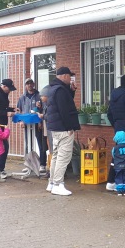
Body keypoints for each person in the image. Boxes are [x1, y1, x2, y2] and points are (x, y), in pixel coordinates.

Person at [45, 67, 80, 196]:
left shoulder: (54, 88)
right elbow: (64, 110)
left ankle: (52, 183)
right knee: (63, 157)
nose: (70, 79)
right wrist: (69, 127)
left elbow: (65, 102)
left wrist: (72, 91)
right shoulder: (60, 90)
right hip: (63, 128)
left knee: (56, 155)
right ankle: (58, 184)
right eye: (69, 76)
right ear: (64, 76)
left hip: (55, 128)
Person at [0, 78, 19, 178]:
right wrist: (7, 113)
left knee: (2, 148)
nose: (10, 91)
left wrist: (12, 109)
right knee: (2, 148)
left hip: (0, 125)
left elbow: (1, 107)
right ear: (4, 86)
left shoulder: (2, 93)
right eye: (9, 89)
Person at [16, 78, 46, 175]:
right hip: (27, 125)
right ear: (25, 85)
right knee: (28, 144)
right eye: (27, 83)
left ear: (34, 84)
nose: (29, 85)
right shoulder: (22, 98)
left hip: (37, 124)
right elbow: (18, 110)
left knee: (41, 144)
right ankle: (28, 164)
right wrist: (20, 121)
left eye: (31, 83)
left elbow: (44, 110)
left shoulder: (39, 96)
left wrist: (41, 121)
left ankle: (42, 165)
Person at [38, 84, 53, 176]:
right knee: (49, 148)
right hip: (48, 128)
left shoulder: (51, 104)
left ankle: (52, 171)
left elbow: (51, 116)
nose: (41, 98)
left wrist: (43, 116)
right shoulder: (45, 104)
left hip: (52, 129)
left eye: (42, 96)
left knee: (53, 149)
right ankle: (50, 169)